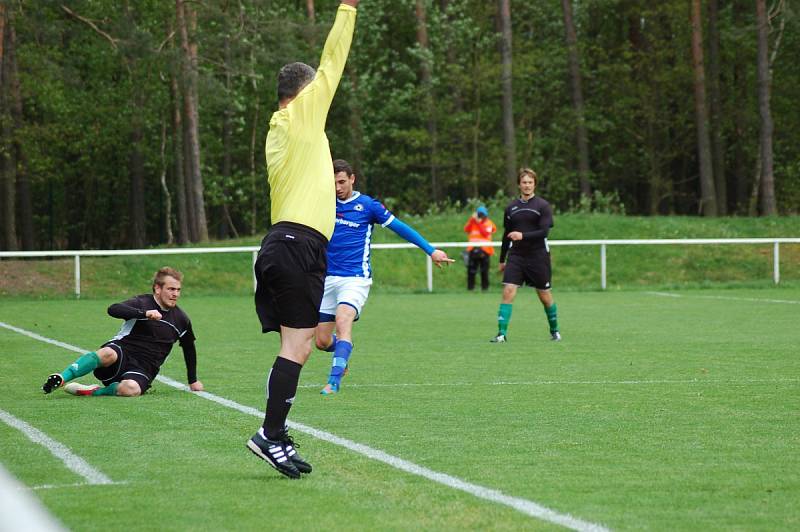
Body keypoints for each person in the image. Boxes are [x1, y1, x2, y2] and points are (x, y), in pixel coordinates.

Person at [247, 0, 360, 480]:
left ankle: (275, 431)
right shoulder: (301, 118)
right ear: (303, 91)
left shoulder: (282, 129)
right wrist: (347, 9)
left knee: (297, 346)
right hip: (297, 247)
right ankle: (269, 435)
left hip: (283, 243)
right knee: (296, 348)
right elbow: (333, 62)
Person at [314, 159, 454, 395]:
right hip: (328, 279)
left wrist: (431, 250)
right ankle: (343, 351)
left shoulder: (368, 206)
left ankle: (333, 381)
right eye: (333, 183)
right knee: (321, 341)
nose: (337, 188)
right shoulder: (323, 205)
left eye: (341, 182)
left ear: (352, 179)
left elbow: (400, 228)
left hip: (355, 278)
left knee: (343, 320)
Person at [41, 267, 204, 397]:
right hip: (121, 354)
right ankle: (62, 378)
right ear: (157, 288)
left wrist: (193, 380)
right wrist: (144, 314)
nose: (175, 294)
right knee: (107, 353)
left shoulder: (181, 319)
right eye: (171, 289)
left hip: (144, 369)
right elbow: (113, 309)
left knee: (130, 389)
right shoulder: (141, 302)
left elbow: (189, 348)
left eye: (178, 290)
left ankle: (94, 391)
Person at [491, 168, 561, 343]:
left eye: (530, 182)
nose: (527, 185)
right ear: (519, 185)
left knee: (545, 296)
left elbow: (544, 232)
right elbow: (506, 234)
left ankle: (555, 330)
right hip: (516, 256)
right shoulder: (511, 208)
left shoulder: (543, 206)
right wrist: (501, 259)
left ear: (534, 184)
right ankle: (501, 334)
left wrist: (522, 235)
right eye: (524, 182)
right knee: (508, 291)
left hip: (538, 256)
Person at [463, 206, 497, 291]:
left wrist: (478, 223)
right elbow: (466, 229)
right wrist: (472, 219)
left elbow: (485, 233)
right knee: (471, 270)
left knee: (484, 271)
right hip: (472, 249)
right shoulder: (473, 222)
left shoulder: (489, 223)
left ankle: (485, 289)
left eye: (482, 215)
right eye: (479, 214)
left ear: (486, 215)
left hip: (485, 250)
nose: (481, 216)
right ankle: (470, 289)